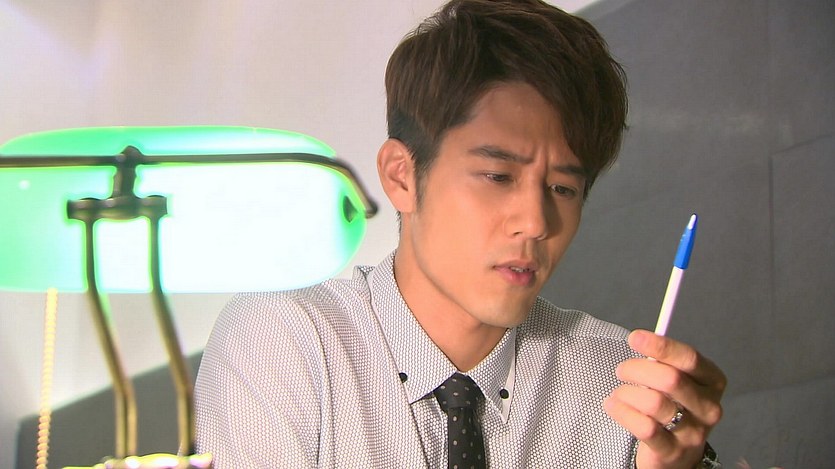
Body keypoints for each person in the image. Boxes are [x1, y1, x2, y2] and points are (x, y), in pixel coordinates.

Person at [194, 0, 726, 467]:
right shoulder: (284, 344)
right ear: (402, 176)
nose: (536, 222)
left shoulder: (621, 386)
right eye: (498, 176)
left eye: (563, 188)